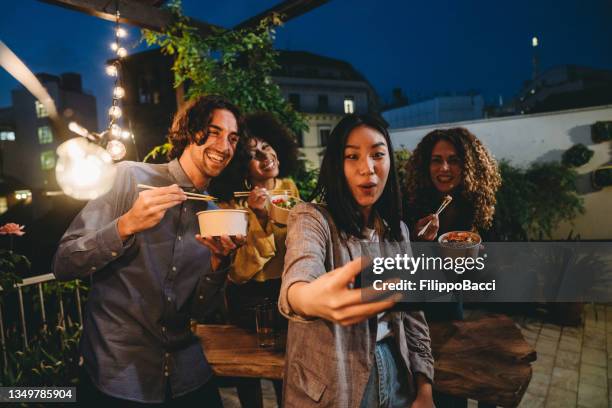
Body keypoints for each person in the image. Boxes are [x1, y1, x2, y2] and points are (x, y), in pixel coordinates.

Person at [53, 95, 247, 405]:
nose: (224, 147)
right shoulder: (129, 178)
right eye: (213, 131)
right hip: (118, 371)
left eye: (232, 138)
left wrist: (219, 262)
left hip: (188, 372)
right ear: (189, 131)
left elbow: (201, 311)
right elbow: (64, 263)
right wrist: (126, 225)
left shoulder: (212, 213)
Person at [278, 114, 435, 407]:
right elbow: (300, 272)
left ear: (389, 161)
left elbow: (414, 316)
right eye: (352, 156)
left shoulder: (397, 231)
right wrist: (308, 297)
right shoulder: (311, 218)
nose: (368, 168)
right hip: (333, 383)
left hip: (396, 372)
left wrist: (424, 387)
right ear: (337, 165)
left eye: (377, 154)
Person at [404, 127, 501, 408]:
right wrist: (415, 239)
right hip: (416, 312)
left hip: (458, 312)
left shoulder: (477, 207)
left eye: (454, 160)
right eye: (436, 160)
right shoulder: (411, 203)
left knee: (455, 391)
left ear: (468, 164)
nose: (444, 168)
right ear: (426, 164)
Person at [211, 112, 300, 329]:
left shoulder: (288, 187)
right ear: (241, 164)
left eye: (267, 146)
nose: (265, 155)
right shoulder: (232, 205)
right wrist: (259, 217)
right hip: (250, 298)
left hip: (290, 289)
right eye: (253, 154)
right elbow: (239, 273)